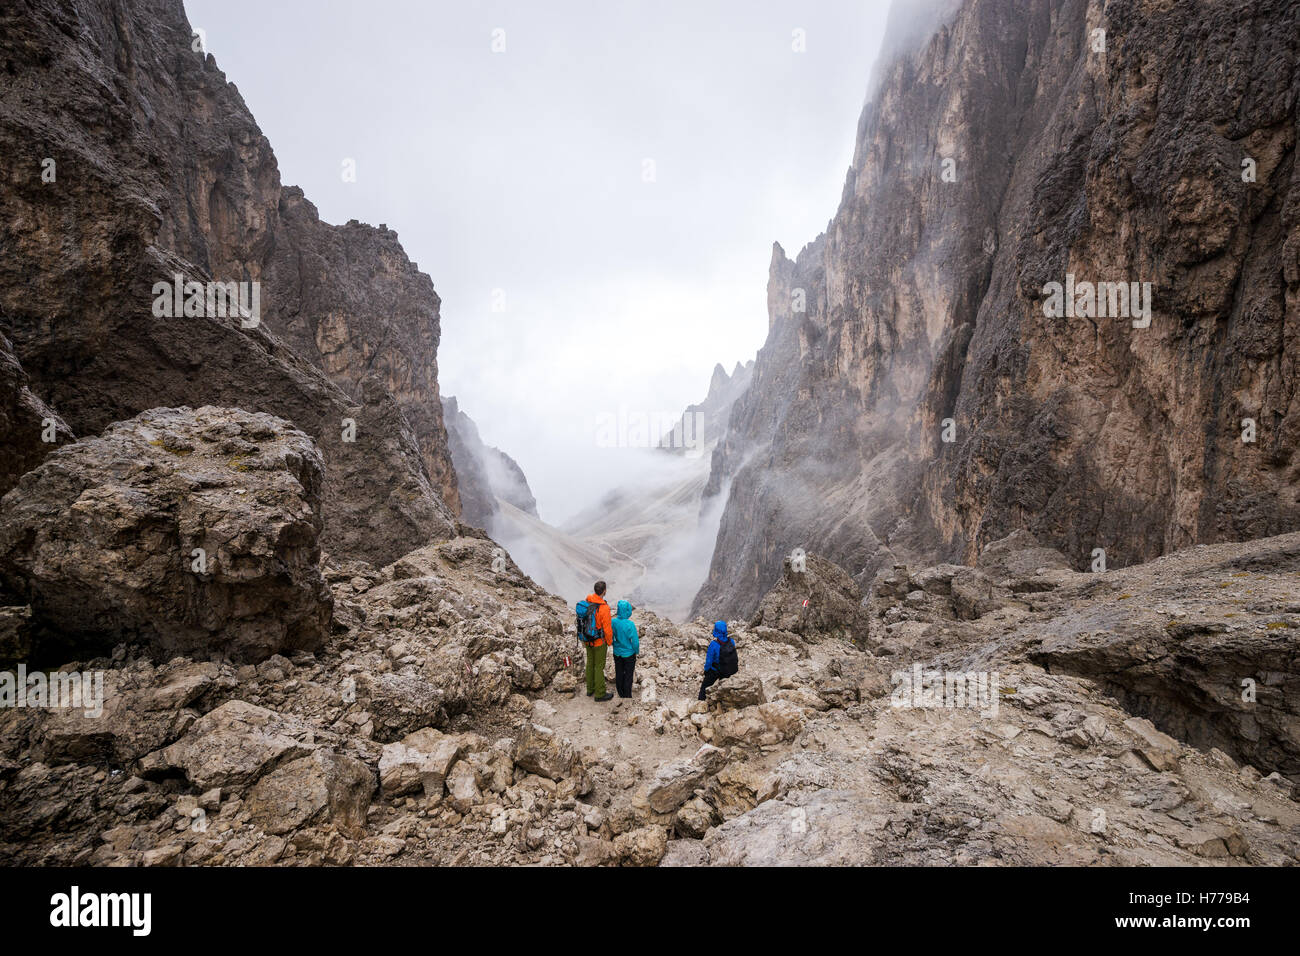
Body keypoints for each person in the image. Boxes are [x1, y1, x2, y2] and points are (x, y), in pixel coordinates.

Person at [583, 581, 614, 702]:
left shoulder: (588, 600)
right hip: (599, 642)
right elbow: (607, 628)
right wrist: (610, 642)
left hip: (587, 639)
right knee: (599, 667)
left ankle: (590, 689)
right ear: (604, 591)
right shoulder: (604, 608)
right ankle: (600, 694)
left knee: (590, 663)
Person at [698, 620, 738, 701]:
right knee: (723, 686)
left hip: (716, 671)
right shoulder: (732, 641)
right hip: (728, 670)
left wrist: (706, 671)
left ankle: (700, 702)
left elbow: (709, 661)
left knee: (704, 687)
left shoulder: (714, 644)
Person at [610, 599, 640, 700]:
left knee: (619, 672)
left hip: (617, 652)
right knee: (628, 674)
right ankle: (627, 695)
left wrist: (614, 644)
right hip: (629, 654)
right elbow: (635, 641)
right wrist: (636, 651)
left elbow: (611, 636)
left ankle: (620, 692)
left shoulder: (613, 622)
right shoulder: (630, 624)